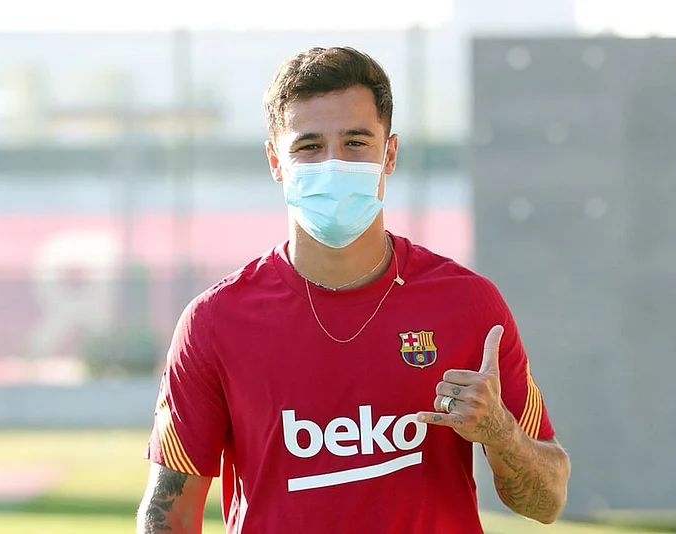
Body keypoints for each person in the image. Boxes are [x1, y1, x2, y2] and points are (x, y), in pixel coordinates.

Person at [136, 46, 570, 534]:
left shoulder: (468, 304)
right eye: (309, 146)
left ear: (390, 154)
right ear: (276, 161)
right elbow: (169, 517)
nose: (334, 164)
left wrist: (501, 432)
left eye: (356, 142)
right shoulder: (215, 322)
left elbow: (548, 501)